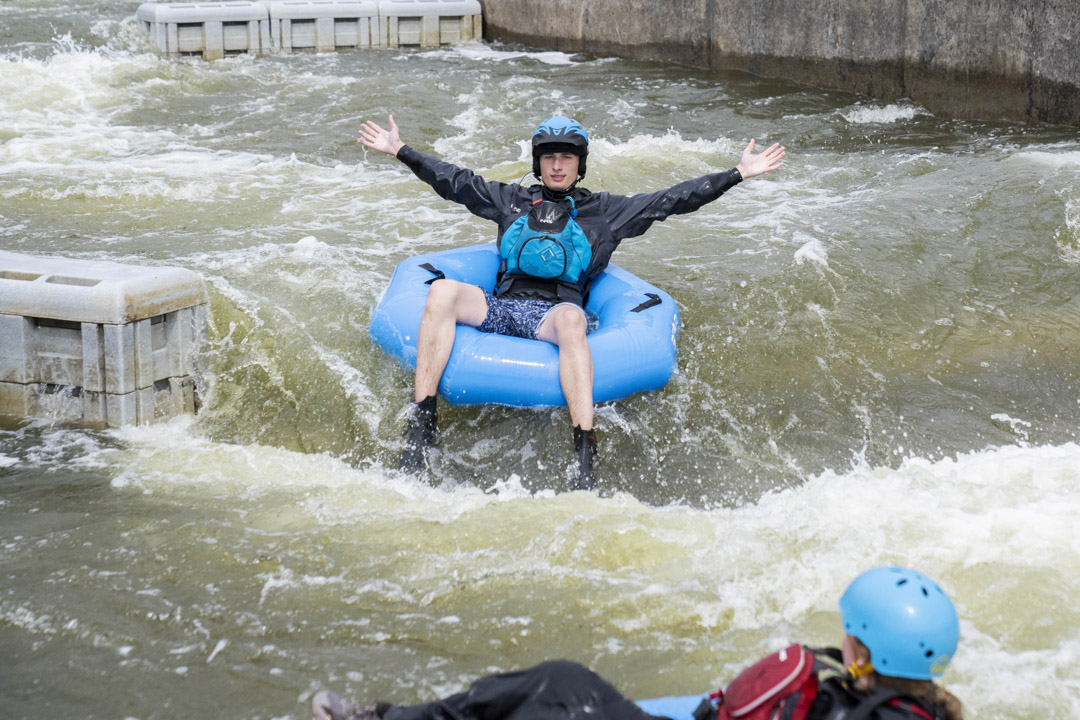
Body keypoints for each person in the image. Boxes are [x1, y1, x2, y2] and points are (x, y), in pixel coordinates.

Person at [359, 115, 785, 488]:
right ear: (537, 163)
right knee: (442, 291)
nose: (557, 165)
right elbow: (453, 180)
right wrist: (400, 150)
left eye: (566, 157)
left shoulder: (605, 212)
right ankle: (422, 425)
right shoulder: (512, 200)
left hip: (554, 315)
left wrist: (736, 174)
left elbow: (671, 200)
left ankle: (584, 452)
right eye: (549, 157)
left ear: (580, 164)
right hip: (502, 306)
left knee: (571, 320)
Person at [311, 566, 964, 720]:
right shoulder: (923, 706)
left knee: (557, 686)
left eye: (850, 634)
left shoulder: (850, 699)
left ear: (866, 652)